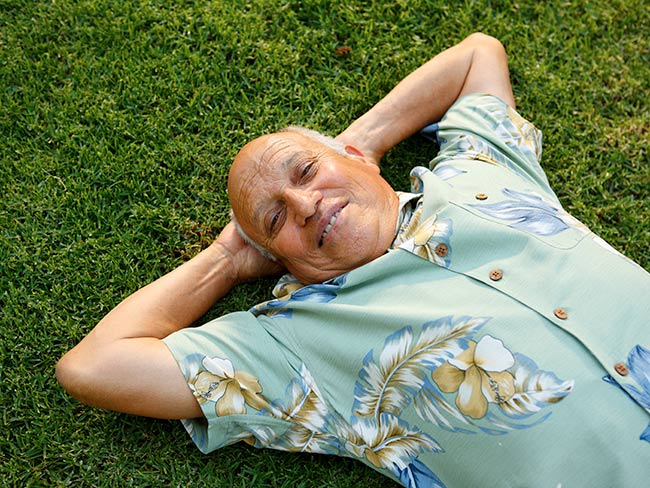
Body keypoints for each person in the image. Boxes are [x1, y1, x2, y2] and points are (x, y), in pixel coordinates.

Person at [56, 33, 650, 487]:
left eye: (307, 171)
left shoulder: (482, 173)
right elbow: (93, 368)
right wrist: (225, 260)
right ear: (277, 258)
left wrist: (362, 145)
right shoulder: (301, 346)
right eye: (275, 220)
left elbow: (477, 56)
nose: (305, 204)